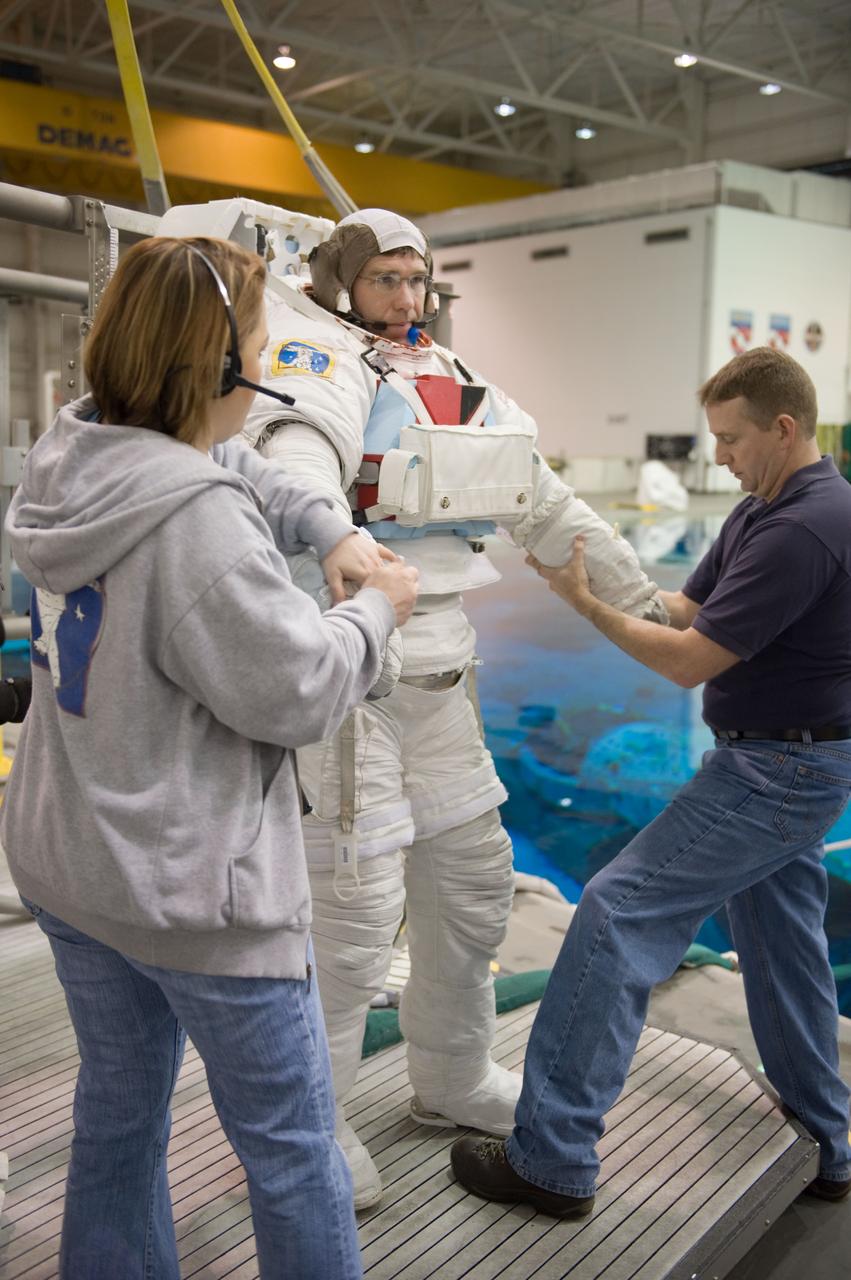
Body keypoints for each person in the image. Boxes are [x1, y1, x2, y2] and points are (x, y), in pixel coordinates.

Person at [1, 234, 418, 1279]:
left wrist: (325, 522)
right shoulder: (201, 534)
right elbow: (299, 690)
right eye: (261, 355)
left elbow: (218, 460)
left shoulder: (73, 453)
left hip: (73, 863)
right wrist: (377, 605)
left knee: (119, 1110)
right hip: (192, 892)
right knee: (291, 1154)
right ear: (214, 374)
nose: (270, 378)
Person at [242, 207, 668, 1207]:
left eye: (416, 280)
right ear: (342, 281)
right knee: (347, 924)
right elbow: (299, 456)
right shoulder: (315, 359)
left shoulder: (458, 381)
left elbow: (546, 503)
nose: (405, 300)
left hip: (443, 675)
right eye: (385, 280)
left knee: (474, 889)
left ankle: (452, 1073)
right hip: (355, 678)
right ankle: (313, 1122)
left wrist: (650, 600)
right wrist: (333, 537)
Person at [451, 346, 851, 1215]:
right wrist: (601, 567)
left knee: (614, 911)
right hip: (777, 757)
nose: (719, 458)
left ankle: (550, 1160)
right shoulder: (760, 510)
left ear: (784, 429)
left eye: (730, 439)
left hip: (777, 770)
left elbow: (685, 661)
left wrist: (580, 606)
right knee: (784, 950)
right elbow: (689, 610)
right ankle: (828, 1139)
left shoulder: (807, 526)